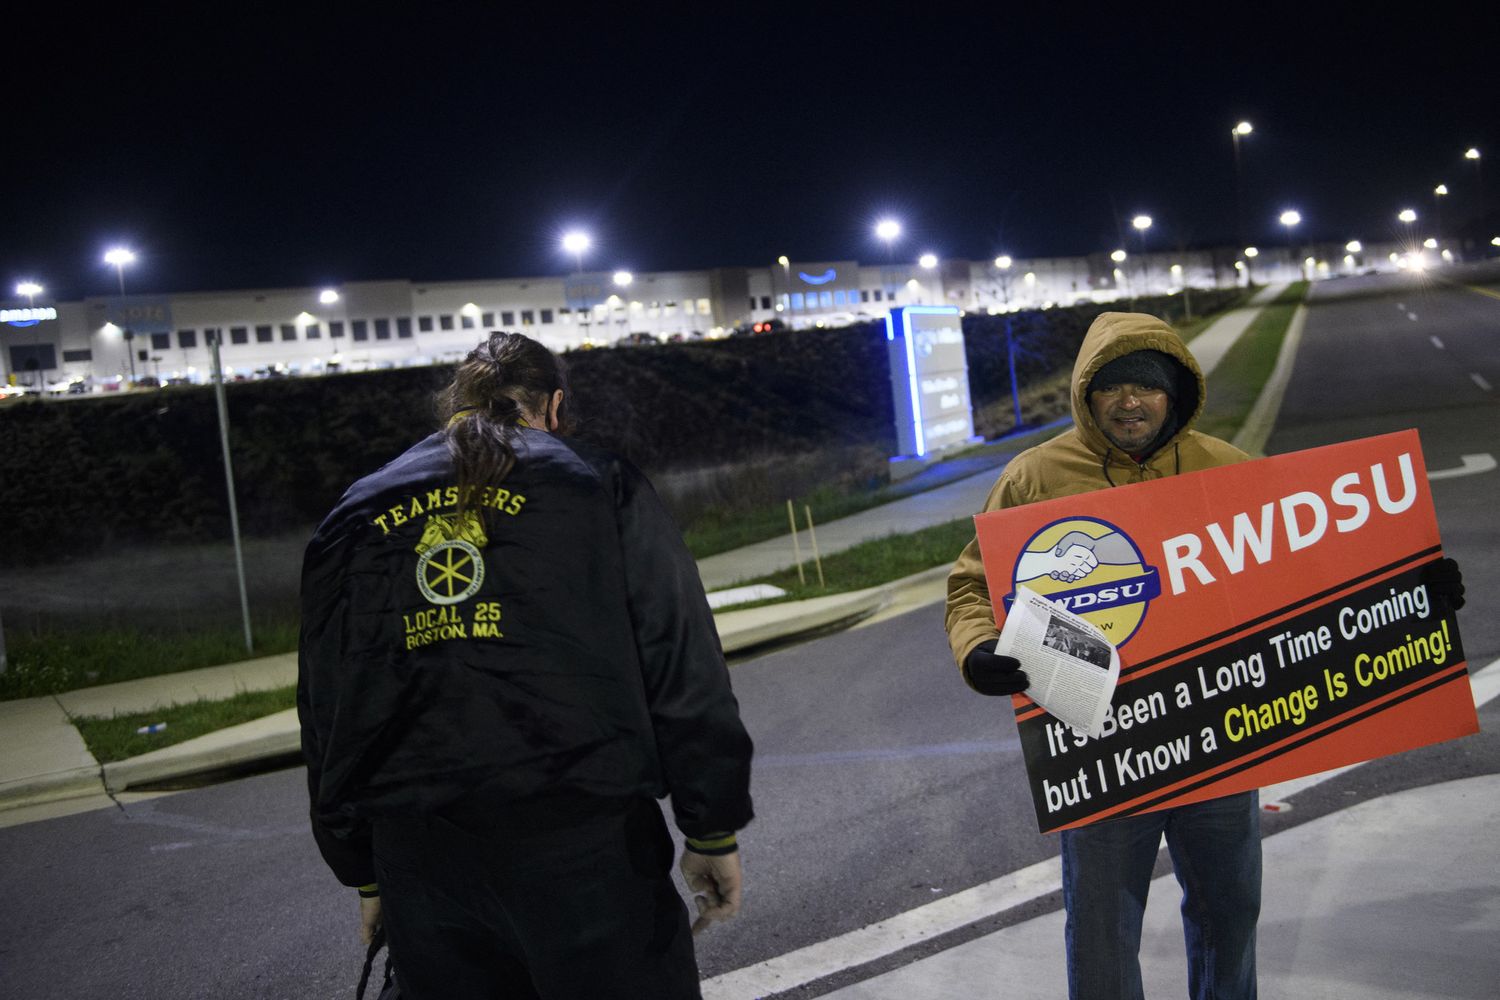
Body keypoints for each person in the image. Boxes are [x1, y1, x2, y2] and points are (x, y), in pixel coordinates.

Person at [945, 310, 1467, 999]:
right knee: (1102, 927)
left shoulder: (1230, 470)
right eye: (1112, 388)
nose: (1130, 402)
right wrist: (979, 650)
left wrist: (1409, 589)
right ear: (1086, 395)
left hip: (1217, 737)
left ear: (1176, 394)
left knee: (1229, 913)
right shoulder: (1034, 476)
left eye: (1148, 387)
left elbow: (1311, 571)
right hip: (1098, 746)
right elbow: (972, 586)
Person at [298, 331, 754, 1000]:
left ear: (452, 406)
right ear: (554, 407)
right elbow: (681, 659)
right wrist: (710, 824)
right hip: (585, 847)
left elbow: (327, 704)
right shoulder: (600, 486)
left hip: (421, 862)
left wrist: (365, 870)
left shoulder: (356, 511)